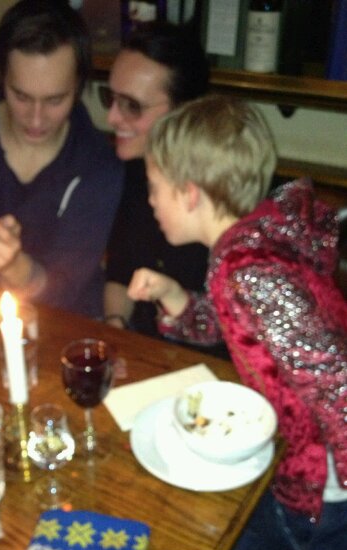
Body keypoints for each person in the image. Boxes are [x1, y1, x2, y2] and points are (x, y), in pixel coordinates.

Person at [128, 94, 347, 550]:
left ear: (189, 193)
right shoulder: (244, 247)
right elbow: (241, 330)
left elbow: (335, 379)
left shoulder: (250, 270)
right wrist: (175, 296)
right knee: (255, 549)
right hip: (292, 457)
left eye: (154, 187)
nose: (148, 200)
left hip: (320, 485)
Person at [0, 0, 123, 318]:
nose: (36, 120)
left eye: (55, 100)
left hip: (71, 324)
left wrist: (14, 266)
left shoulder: (100, 166)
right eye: (21, 96)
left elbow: (66, 293)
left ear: (78, 86)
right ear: (2, 78)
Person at [100, 20, 211, 338]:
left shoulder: (223, 194)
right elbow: (121, 272)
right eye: (110, 98)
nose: (112, 117)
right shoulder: (136, 170)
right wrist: (115, 326)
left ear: (183, 111)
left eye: (132, 106)